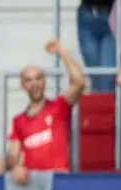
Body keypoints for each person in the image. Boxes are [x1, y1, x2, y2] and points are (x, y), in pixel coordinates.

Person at [8, 41, 87, 178]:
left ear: (44, 81)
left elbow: (79, 82)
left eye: (38, 78)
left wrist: (63, 52)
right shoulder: (18, 121)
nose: (34, 84)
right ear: (22, 85)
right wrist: (15, 167)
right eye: (29, 80)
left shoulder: (59, 106)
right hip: (33, 183)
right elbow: (13, 155)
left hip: (59, 179)